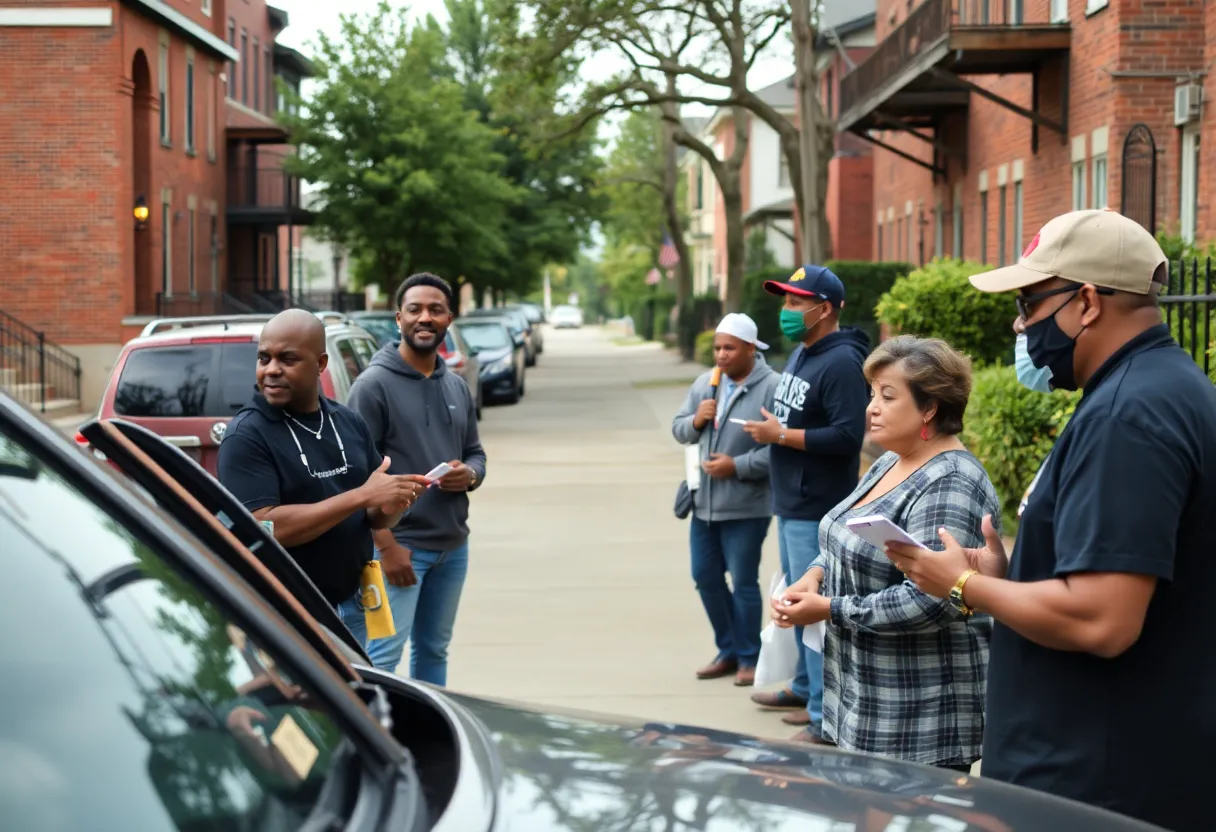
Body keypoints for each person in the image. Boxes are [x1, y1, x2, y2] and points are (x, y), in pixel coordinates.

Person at [887, 209, 1216, 830]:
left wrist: (961, 584)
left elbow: (1103, 619)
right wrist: (1012, 577)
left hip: (1094, 783)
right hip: (1120, 764)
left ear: (1087, 302)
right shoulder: (1160, 388)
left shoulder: (1127, 416)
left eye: (1030, 304)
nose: (1021, 324)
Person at [774, 336, 999, 771]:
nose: (871, 408)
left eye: (887, 396)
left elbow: (935, 600)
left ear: (929, 407)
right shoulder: (890, 460)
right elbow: (846, 537)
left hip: (916, 715)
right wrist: (814, 576)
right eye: (872, 394)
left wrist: (830, 609)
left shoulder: (951, 480)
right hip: (863, 699)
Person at [217, 309, 426, 646]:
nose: (271, 369)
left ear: (321, 364)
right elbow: (263, 528)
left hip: (356, 602)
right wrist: (362, 496)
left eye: (287, 359)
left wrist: (393, 502)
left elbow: (374, 516)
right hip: (292, 613)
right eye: (264, 358)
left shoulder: (348, 422)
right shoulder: (247, 434)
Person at [742, 265, 869, 743]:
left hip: (817, 504)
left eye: (796, 302)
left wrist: (781, 436)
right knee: (792, 602)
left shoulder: (842, 363)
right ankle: (802, 688)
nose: (787, 310)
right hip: (791, 499)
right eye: (785, 300)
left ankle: (821, 716)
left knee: (809, 609)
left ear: (825, 308)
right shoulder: (803, 352)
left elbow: (847, 436)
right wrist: (777, 427)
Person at [344, 273, 486, 684]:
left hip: (452, 547)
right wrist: (387, 547)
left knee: (434, 651)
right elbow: (355, 479)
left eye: (435, 310)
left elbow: (475, 452)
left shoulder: (455, 386)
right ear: (399, 318)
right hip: (400, 548)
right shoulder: (372, 386)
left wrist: (469, 475)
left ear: (448, 319)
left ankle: (430, 724)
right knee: (381, 659)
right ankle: (375, 726)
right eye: (415, 309)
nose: (425, 317)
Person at [671, 313, 779, 687]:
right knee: (705, 577)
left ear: (750, 348)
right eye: (717, 348)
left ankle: (749, 657)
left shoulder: (772, 387)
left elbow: (780, 449)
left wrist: (737, 466)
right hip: (704, 505)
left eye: (729, 348)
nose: (720, 355)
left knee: (744, 581)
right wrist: (696, 421)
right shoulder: (705, 384)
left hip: (747, 506)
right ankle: (728, 649)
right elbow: (679, 429)